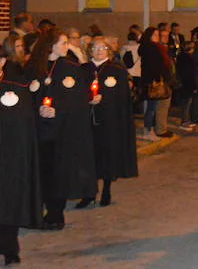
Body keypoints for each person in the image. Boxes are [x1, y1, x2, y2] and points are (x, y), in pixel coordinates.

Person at [30, 29, 99, 229]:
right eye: (62, 43)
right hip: (39, 130)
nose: (66, 46)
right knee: (41, 173)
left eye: (67, 42)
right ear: (50, 45)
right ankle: (36, 212)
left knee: (57, 172)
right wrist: (39, 109)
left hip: (61, 131)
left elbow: (77, 99)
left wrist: (57, 111)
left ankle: (55, 214)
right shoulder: (35, 68)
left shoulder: (69, 67)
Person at [0, 35, 42, 266]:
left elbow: (25, 121)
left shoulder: (15, 87)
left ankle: (9, 248)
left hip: (8, 156)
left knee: (8, 203)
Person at [84, 37, 137, 207]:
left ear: (109, 50)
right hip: (87, 121)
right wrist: (87, 98)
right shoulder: (83, 70)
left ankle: (106, 189)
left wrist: (104, 98)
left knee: (107, 155)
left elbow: (123, 97)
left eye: (103, 47)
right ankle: (89, 192)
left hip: (109, 121)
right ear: (90, 51)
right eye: (95, 48)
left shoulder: (116, 70)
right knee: (89, 156)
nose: (99, 51)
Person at [139, 27, 174, 140]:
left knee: (153, 107)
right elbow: (156, 65)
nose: (157, 37)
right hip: (154, 81)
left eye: (157, 35)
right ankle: (148, 130)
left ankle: (152, 129)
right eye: (154, 35)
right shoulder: (151, 48)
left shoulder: (152, 47)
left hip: (153, 79)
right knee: (151, 107)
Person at [175, 41, 197, 131]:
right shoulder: (188, 59)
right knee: (186, 104)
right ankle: (184, 122)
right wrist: (194, 86)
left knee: (186, 103)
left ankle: (186, 120)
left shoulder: (181, 58)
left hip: (183, 84)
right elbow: (190, 74)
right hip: (187, 85)